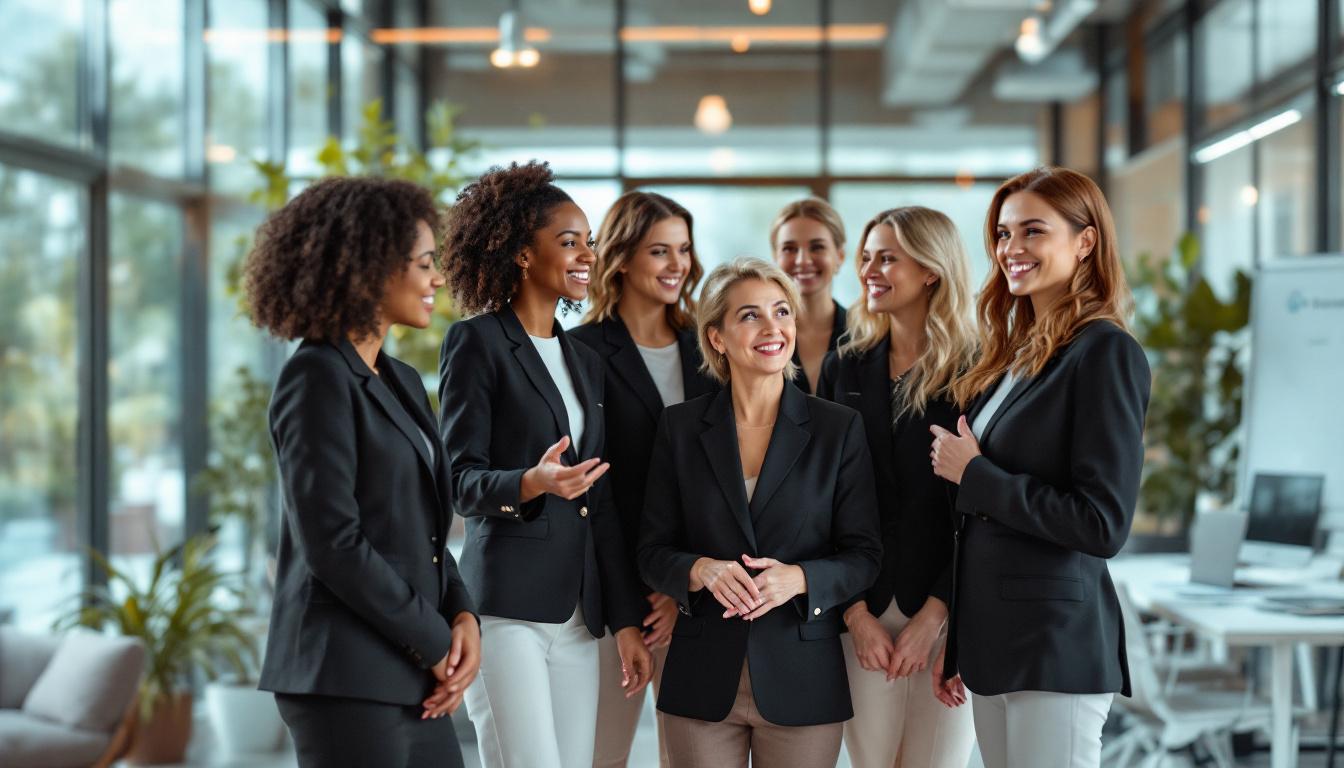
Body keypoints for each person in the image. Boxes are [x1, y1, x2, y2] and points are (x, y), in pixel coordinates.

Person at [248, 176, 480, 768]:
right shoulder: (315, 377)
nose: (438, 280)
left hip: (410, 670)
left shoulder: (400, 380)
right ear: (370, 268)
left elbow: (423, 533)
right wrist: (433, 642)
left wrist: (462, 617)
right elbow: (333, 543)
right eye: (425, 264)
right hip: (345, 673)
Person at [932, 166, 1151, 768]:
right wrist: (958, 646)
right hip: (996, 642)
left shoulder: (1105, 351)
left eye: (1033, 231)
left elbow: (1102, 523)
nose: (1012, 249)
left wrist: (973, 475)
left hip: (1055, 644)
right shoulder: (1017, 355)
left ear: (1084, 242)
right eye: (1003, 234)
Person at [437, 161, 653, 768]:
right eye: (568, 241)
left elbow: (600, 498)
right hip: (508, 609)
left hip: (581, 615)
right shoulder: (476, 343)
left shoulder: (584, 359)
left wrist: (627, 622)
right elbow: (458, 480)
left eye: (589, 241)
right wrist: (531, 482)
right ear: (521, 254)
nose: (586, 254)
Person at [638, 257, 882, 768]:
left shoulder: (838, 428)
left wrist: (798, 579)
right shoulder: (679, 428)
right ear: (718, 338)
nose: (773, 328)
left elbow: (864, 555)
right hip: (702, 677)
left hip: (803, 675)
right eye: (750, 316)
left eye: (782, 312)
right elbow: (652, 551)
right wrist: (700, 569)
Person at [815, 206, 979, 768]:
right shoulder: (844, 368)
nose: (869, 270)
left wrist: (938, 617)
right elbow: (823, 498)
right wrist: (853, 615)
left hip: (949, 610)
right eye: (866, 257)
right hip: (862, 610)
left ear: (931, 270)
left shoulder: (977, 371)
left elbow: (979, 511)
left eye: (888, 257)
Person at [570, 190, 718, 768]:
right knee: (603, 754)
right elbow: (595, 488)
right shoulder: (580, 352)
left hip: (697, 593)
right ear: (623, 258)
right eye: (661, 251)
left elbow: (727, 479)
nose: (678, 264)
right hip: (612, 597)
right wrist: (636, 596)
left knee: (688, 756)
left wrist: (680, 582)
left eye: (684, 250)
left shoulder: (709, 348)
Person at [770, 198, 847, 394]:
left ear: (840, 256)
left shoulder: (868, 336)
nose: (802, 260)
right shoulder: (759, 337)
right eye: (789, 248)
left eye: (817, 247)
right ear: (775, 257)